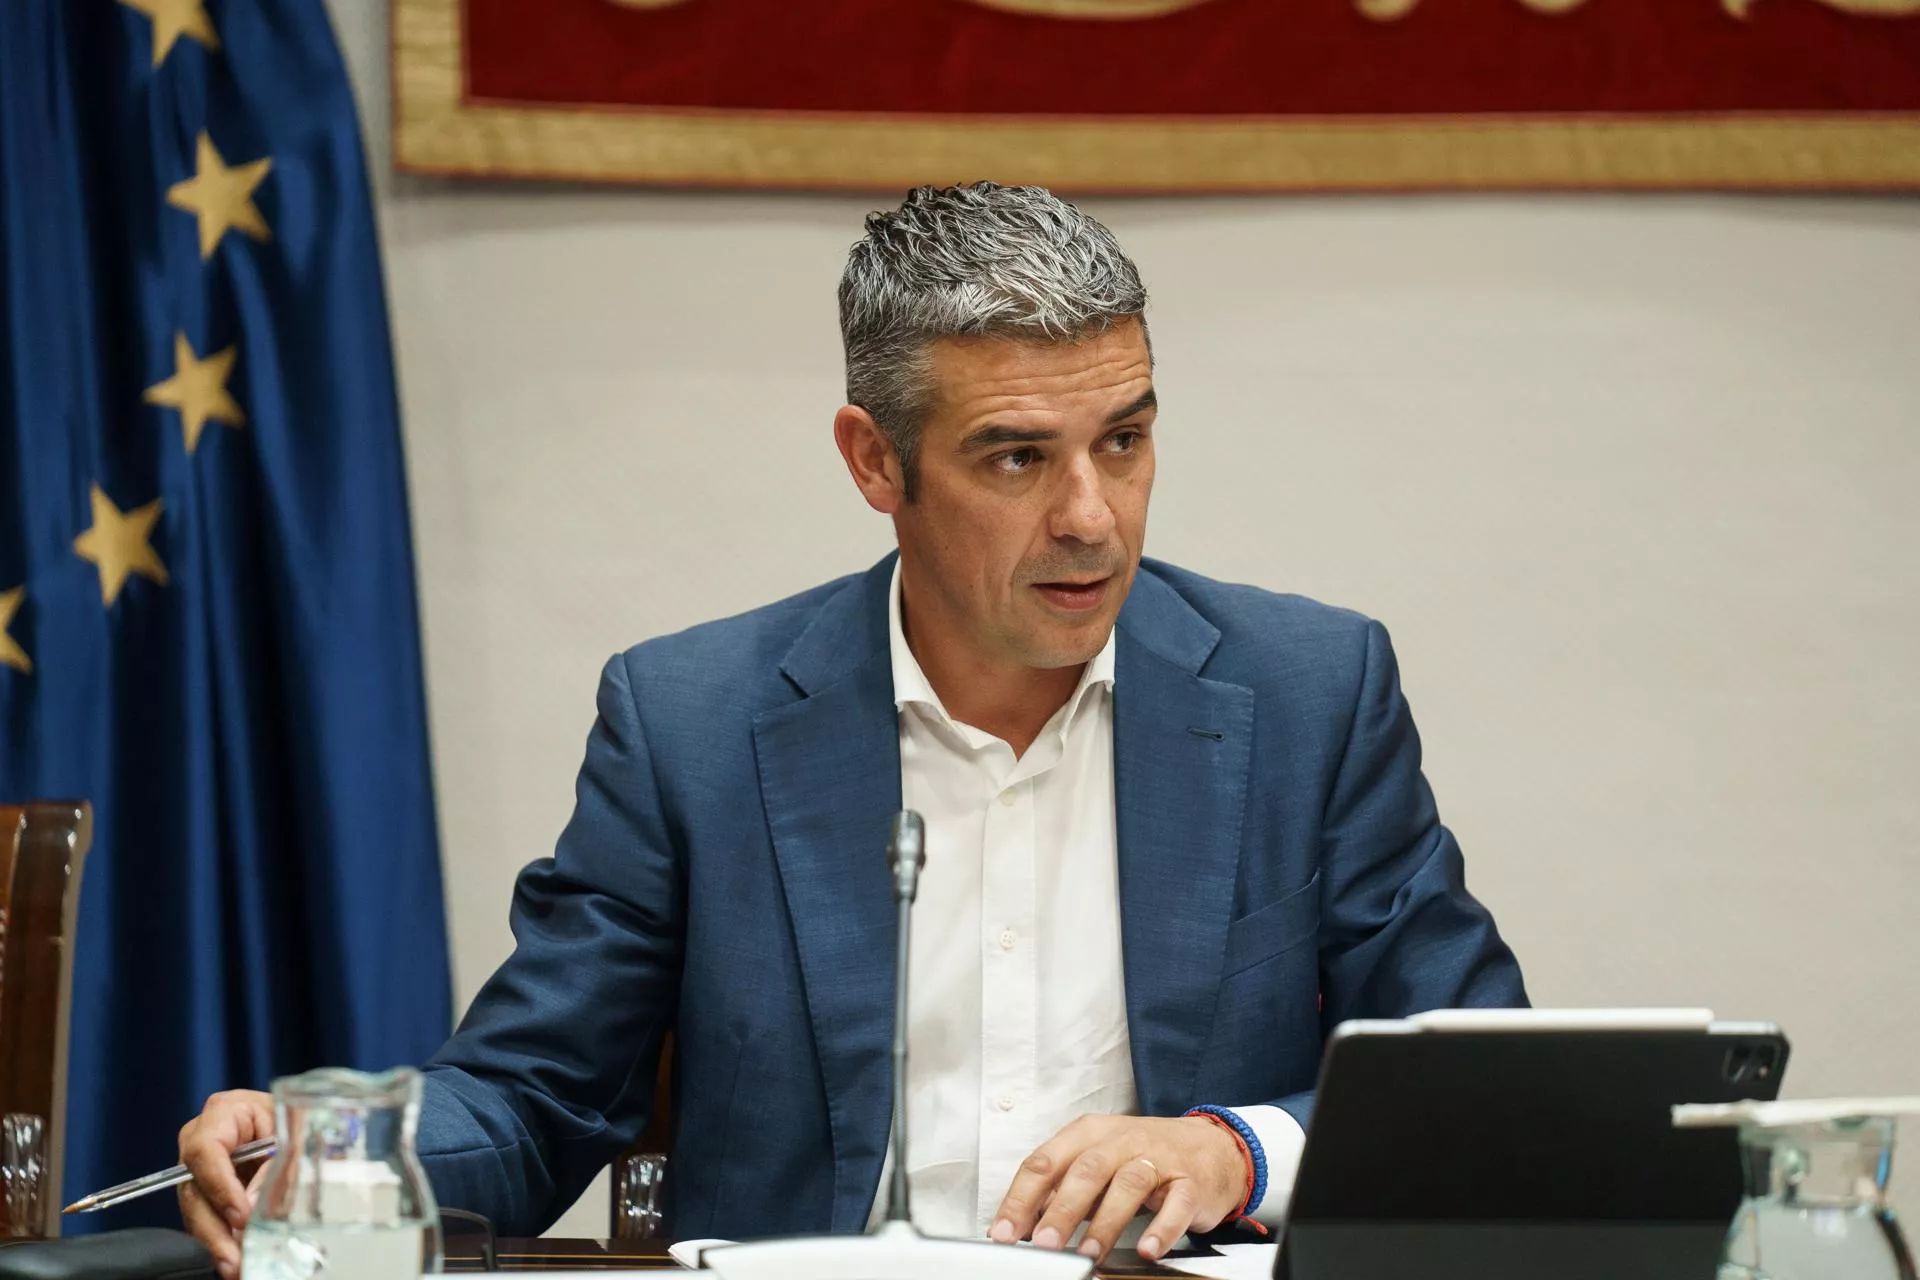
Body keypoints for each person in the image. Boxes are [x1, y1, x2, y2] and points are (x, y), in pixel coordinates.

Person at [176, 182, 1526, 1278]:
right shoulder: (693, 723)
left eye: (1124, 440)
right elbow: (535, 1099)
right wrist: (336, 1151)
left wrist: (1235, 1151)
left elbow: (1477, 1085)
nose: (1092, 517)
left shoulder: (1308, 691)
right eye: (1016, 457)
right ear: (874, 462)